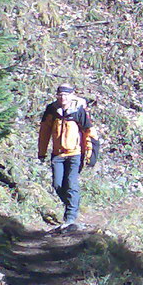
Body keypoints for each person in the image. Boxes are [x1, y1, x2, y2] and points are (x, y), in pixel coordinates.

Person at [37, 84, 100, 231]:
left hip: (74, 154)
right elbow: (44, 132)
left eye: (66, 95)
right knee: (58, 185)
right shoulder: (52, 110)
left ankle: (71, 217)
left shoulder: (79, 111)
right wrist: (42, 152)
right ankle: (73, 205)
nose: (63, 98)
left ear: (72, 96)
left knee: (71, 182)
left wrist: (91, 156)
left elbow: (89, 132)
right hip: (57, 154)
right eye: (60, 95)